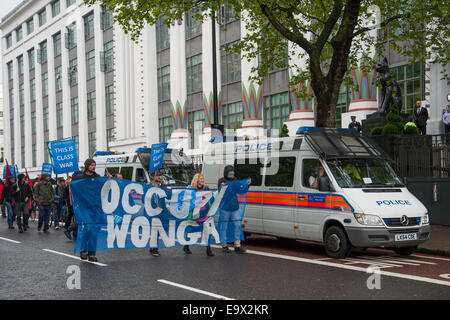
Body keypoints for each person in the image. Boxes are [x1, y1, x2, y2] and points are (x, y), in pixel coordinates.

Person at [71, 159, 109, 262]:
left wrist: (108, 181)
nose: (93, 167)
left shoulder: (97, 177)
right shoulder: (80, 178)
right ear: (87, 166)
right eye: (92, 165)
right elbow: (75, 190)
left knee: (94, 230)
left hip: (95, 206)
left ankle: (92, 253)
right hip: (84, 207)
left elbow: (103, 189)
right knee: (88, 229)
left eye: (94, 165)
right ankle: (83, 250)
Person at [217, 165, 250, 254]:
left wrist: (246, 185)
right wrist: (221, 187)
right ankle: (224, 245)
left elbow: (241, 191)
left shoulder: (235, 180)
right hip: (224, 208)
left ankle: (237, 245)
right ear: (226, 172)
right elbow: (219, 193)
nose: (231, 173)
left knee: (237, 225)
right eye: (230, 172)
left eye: (232, 172)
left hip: (235, 207)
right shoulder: (221, 180)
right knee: (224, 226)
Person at [183, 173, 214, 257]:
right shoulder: (191, 189)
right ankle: (186, 245)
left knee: (207, 229)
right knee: (190, 229)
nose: (202, 180)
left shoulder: (206, 188)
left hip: (204, 213)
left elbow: (211, 197)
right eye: (201, 179)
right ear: (196, 180)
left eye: (203, 179)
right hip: (194, 213)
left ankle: (208, 250)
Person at [149, 171, 162, 257]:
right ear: (153, 177)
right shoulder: (148, 186)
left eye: (159, 175)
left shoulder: (161, 185)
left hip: (160, 210)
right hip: (151, 211)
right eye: (157, 175)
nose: (159, 177)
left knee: (158, 230)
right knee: (154, 230)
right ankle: (154, 249)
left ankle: (153, 247)